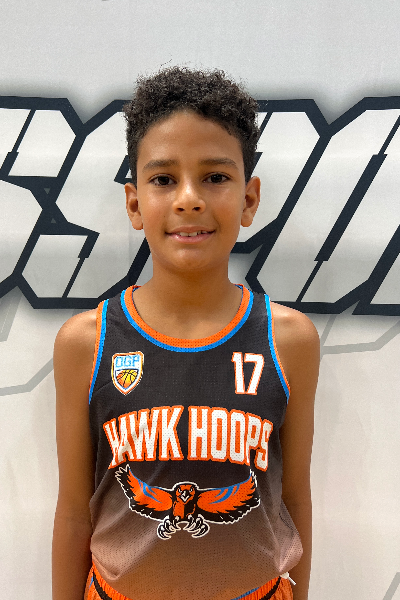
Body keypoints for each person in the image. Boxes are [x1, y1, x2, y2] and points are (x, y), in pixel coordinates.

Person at [52, 67, 320, 600]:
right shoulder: (87, 342)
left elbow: (295, 501)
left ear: (249, 199)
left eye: (215, 177)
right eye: (163, 179)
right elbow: (74, 513)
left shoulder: (289, 339)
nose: (189, 199)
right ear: (134, 203)